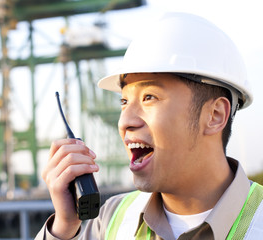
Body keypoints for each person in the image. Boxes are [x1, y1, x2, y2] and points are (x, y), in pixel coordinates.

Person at [35, 12, 263, 240]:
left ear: (214, 115)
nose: (125, 122)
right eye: (124, 102)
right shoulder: (111, 219)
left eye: (150, 97)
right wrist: (64, 227)